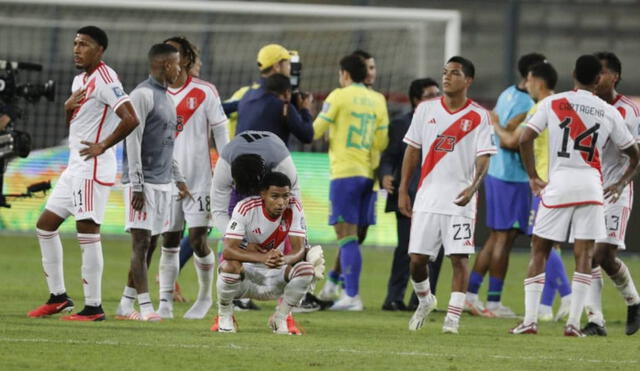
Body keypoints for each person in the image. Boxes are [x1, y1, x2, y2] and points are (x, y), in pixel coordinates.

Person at [511, 55, 639, 337]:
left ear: (573, 74)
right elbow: (634, 154)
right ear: (597, 80)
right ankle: (573, 325)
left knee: (540, 249)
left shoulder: (553, 102)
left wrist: (533, 176)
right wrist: (618, 183)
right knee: (586, 255)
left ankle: (530, 321)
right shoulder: (608, 111)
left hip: (559, 184)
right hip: (593, 186)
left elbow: (524, 138)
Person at [27, 26, 139, 321]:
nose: (77, 49)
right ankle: (58, 297)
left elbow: (131, 118)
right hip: (75, 165)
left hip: (92, 168)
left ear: (100, 50)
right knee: (45, 226)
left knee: (87, 232)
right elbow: (77, 126)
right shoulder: (80, 79)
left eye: (85, 44)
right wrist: (67, 110)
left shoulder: (105, 78)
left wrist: (104, 145)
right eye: (75, 43)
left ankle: (93, 307)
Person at [400, 56, 496, 334]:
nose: (446, 77)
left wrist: (474, 186)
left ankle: (452, 319)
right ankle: (425, 300)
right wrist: (405, 189)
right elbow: (412, 149)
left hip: (459, 199)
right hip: (427, 196)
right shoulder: (425, 109)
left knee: (459, 258)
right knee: (417, 261)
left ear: (468, 81)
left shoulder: (479, 115)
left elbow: (484, 157)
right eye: (444, 72)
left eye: (454, 73)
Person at [150, 36, 229, 320]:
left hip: (199, 180)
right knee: (168, 240)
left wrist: (227, 166)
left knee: (197, 239)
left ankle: (205, 298)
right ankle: (165, 304)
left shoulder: (205, 91)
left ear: (184, 59)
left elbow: (220, 132)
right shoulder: (153, 93)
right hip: (166, 179)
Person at [465, 53, 547, 318]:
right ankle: (494, 302)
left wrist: (496, 123)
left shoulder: (508, 93)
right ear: (532, 75)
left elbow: (496, 123)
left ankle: (470, 294)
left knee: (496, 237)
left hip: (498, 172)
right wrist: (500, 127)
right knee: (505, 238)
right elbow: (511, 141)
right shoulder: (526, 102)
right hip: (512, 175)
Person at [492, 61, 573, 322]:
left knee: (541, 242)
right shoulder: (565, 105)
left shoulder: (541, 107)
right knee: (551, 243)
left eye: (528, 81)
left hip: (546, 183)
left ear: (537, 81)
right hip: (567, 178)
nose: (526, 86)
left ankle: (569, 296)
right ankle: (546, 306)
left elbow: (513, 141)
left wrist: (494, 122)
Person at [115, 43, 190, 322]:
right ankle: (146, 307)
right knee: (141, 242)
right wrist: (136, 184)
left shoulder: (168, 99)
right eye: (178, 65)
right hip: (143, 182)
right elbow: (132, 140)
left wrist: (179, 178)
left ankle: (125, 303)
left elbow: (166, 145)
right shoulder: (141, 95)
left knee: (152, 242)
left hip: (163, 183)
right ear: (166, 65)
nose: (180, 70)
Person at [313, 54, 389, 311]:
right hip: (368, 174)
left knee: (345, 236)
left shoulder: (338, 96)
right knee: (353, 236)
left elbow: (314, 131)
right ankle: (338, 286)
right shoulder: (378, 100)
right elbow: (382, 142)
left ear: (344, 74)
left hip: (344, 172)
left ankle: (352, 295)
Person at [211, 172, 319, 334]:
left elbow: (298, 249)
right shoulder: (246, 208)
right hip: (245, 278)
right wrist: (263, 258)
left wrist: (283, 259)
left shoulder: (294, 207)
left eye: (285, 196)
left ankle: (281, 318)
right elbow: (228, 250)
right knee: (228, 266)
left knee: (307, 269)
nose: (281, 203)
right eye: (275, 196)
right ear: (263, 194)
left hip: (276, 276)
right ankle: (225, 315)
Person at [582, 52, 640, 336]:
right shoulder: (586, 106)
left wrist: (621, 184)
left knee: (603, 254)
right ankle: (595, 321)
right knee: (589, 255)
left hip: (616, 190)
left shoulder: (628, 110)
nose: (597, 78)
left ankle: (633, 301)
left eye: (602, 73)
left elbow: (637, 155)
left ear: (615, 76)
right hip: (589, 188)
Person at [379, 78, 442, 312]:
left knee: (435, 252)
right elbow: (389, 157)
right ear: (416, 100)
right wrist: (385, 176)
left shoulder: (446, 122)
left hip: (437, 196)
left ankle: (423, 301)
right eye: (430, 95)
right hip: (409, 195)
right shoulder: (401, 124)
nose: (436, 98)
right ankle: (393, 298)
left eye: (438, 93)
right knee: (406, 249)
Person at [236, 46, 314, 146]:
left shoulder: (247, 95)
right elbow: (307, 135)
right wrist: (305, 110)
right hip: (268, 161)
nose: (291, 70)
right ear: (277, 66)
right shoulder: (280, 104)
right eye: (288, 64)